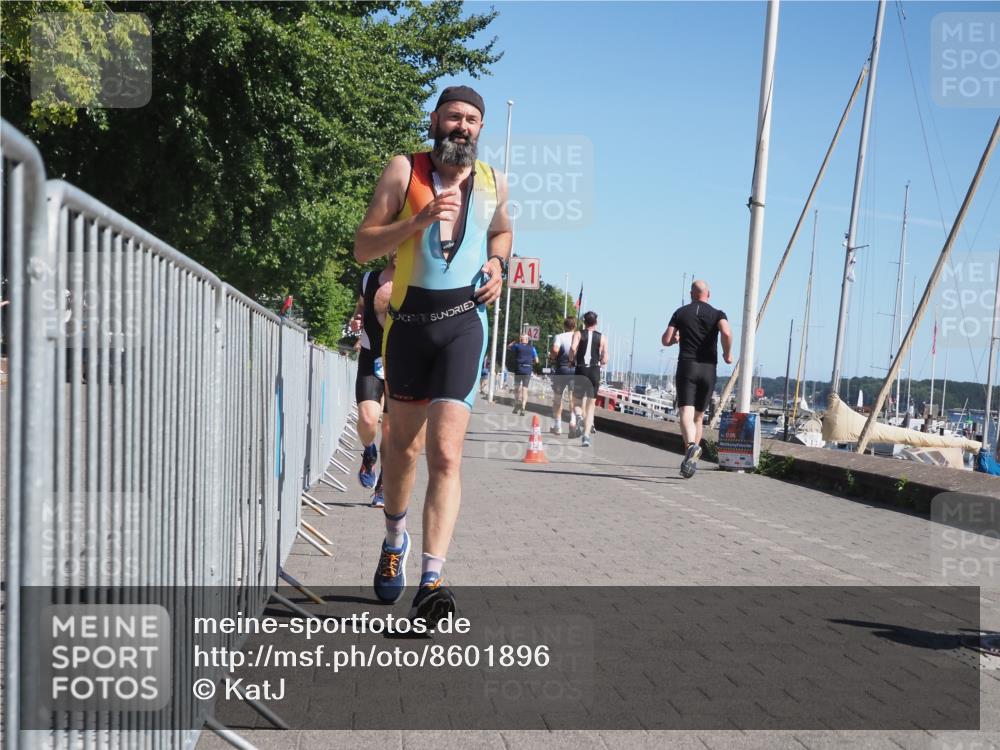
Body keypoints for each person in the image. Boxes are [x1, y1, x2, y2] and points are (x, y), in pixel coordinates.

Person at [353, 85, 511, 625]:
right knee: (403, 450)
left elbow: (502, 232)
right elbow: (364, 245)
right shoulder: (405, 170)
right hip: (408, 327)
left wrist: (498, 265)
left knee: (446, 454)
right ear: (435, 120)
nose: (461, 127)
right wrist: (415, 223)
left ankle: (432, 580)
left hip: (465, 324)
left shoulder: (493, 182)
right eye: (452, 117)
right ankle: (394, 538)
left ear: (480, 129)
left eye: (471, 120)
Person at [662, 279, 733, 479]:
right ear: (708, 295)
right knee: (699, 417)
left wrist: (675, 340)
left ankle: (691, 447)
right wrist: (727, 354)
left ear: (691, 294)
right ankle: (691, 462)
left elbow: (666, 340)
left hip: (687, 365)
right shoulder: (718, 314)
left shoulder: (680, 312)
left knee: (685, 411)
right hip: (709, 368)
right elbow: (726, 332)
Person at [348, 253, 396, 506]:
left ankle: (383, 487)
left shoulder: (419, 280)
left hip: (403, 362)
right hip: (371, 356)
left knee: (391, 430)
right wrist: (356, 319)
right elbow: (360, 307)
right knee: (368, 420)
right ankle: (369, 452)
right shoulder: (369, 280)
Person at [569, 311, 607, 448]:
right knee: (591, 406)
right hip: (594, 372)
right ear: (596, 322)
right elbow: (605, 359)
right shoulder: (602, 337)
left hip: (581, 370)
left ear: (584, 322)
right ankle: (586, 437)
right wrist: (601, 360)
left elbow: (573, 348)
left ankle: (579, 416)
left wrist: (571, 360)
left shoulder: (578, 334)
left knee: (577, 402)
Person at [549, 316, 577, 435]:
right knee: (572, 398)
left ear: (564, 326)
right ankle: (573, 421)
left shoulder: (559, 337)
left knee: (558, 398)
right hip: (575, 370)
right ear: (575, 326)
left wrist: (552, 357)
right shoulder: (579, 337)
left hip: (562, 370)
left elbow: (555, 350)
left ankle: (558, 426)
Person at [507, 333, 538, 416]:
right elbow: (537, 360)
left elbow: (508, 347)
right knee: (525, 389)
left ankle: (517, 403)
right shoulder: (532, 348)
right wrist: (531, 363)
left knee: (517, 388)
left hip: (519, 369)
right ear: (527, 340)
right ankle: (523, 407)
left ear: (521, 340)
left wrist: (515, 341)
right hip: (528, 370)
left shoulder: (517, 346)